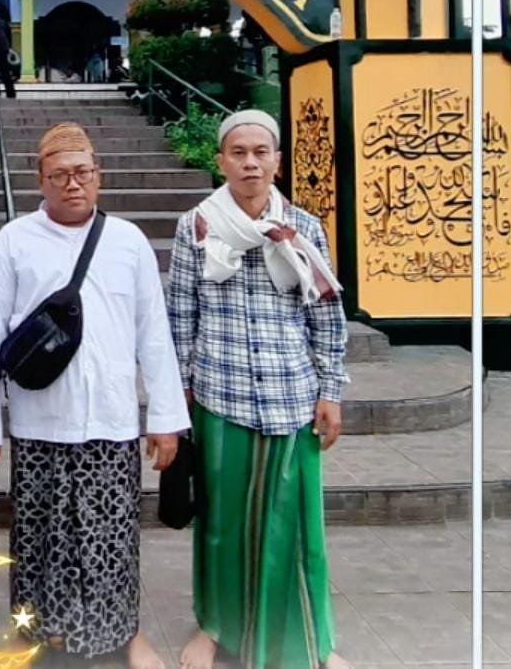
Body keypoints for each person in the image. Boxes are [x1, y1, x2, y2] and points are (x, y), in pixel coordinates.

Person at [0, 122, 190, 669]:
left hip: (109, 419)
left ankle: (123, 632)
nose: (72, 184)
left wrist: (165, 418)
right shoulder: (14, 241)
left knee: (112, 538)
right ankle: (33, 629)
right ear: (39, 179)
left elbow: (154, 335)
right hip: (40, 419)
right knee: (38, 533)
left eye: (82, 172)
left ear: (99, 177)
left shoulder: (128, 241)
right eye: (59, 175)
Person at [166, 110, 351, 669]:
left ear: (277, 159)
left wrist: (332, 389)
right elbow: (181, 317)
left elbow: (326, 314)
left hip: (293, 396)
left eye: (260, 152)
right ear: (221, 160)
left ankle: (315, 641)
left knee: (297, 526)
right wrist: (177, 400)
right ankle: (217, 628)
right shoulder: (195, 225)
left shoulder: (304, 227)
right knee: (222, 527)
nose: (250, 162)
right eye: (238, 152)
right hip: (221, 396)